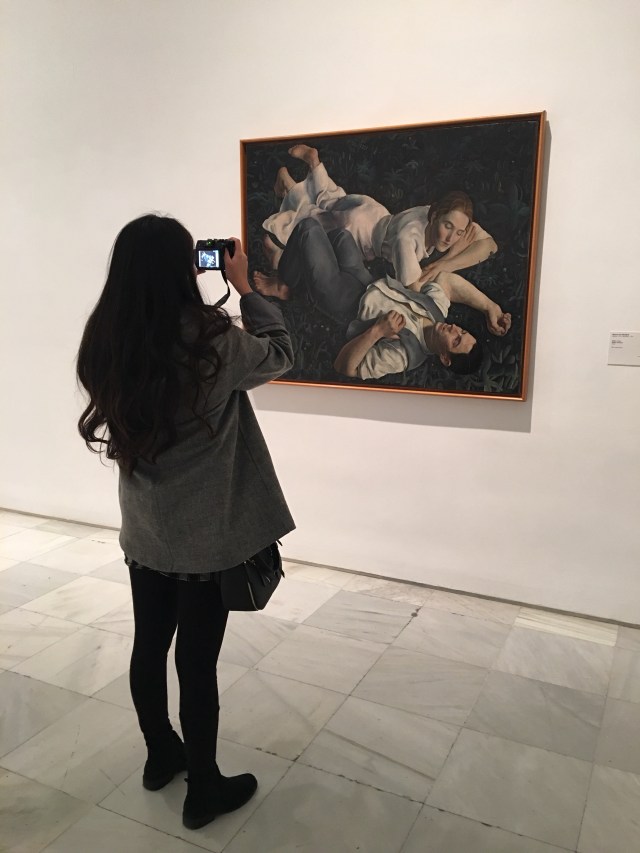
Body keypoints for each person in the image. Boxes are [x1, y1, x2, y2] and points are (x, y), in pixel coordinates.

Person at [76, 214, 295, 831]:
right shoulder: (211, 340)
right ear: (185, 267)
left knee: (149, 645)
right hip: (206, 536)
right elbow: (281, 354)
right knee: (196, 663)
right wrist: (245, 287)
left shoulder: (107, 337)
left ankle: (160, 755)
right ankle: (203, 788)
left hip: (145, 529)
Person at [260, 144, 497, 288]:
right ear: (435, 216)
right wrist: (442, 268)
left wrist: (445, 263)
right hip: (362, 234)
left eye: (459, 232)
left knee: (330, 201)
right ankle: (281, 249)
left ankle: (309, 167)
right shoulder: (409, 239)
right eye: (448, 227)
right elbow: (414, 286)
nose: (451, 238)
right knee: (313, 224)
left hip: (374, 211)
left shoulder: (441, 212)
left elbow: (490, 246)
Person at [334, 268, 511, 380]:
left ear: (445, 358)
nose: (454, 328)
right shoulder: (437, 313)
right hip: (364, 275)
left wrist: (377, 331)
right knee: (343, 238)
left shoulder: (404, 355)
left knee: (317, 237)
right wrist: (490, 307)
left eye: (456, 340)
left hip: (344, 300)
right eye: (462, 331)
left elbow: (344, 368)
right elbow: (447, 281)